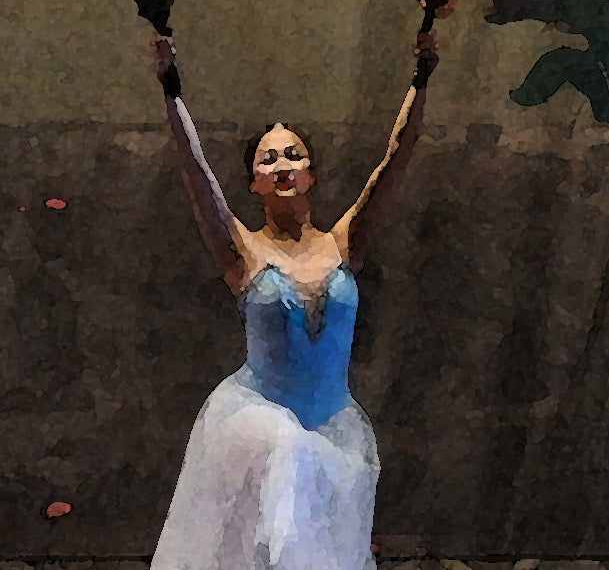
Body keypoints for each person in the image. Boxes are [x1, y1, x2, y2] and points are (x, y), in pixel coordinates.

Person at [149, 29, 439, 570]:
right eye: (268, 159)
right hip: (262, 424)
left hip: (332, 425)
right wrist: (171, 86)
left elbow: (396, 158)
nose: (282, 164)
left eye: (293, 155)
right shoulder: (243, 252)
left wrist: (421, 79)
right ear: (255, 182)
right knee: (288, 456)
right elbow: (196, 171)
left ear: (311, 174)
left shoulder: (343, 243)